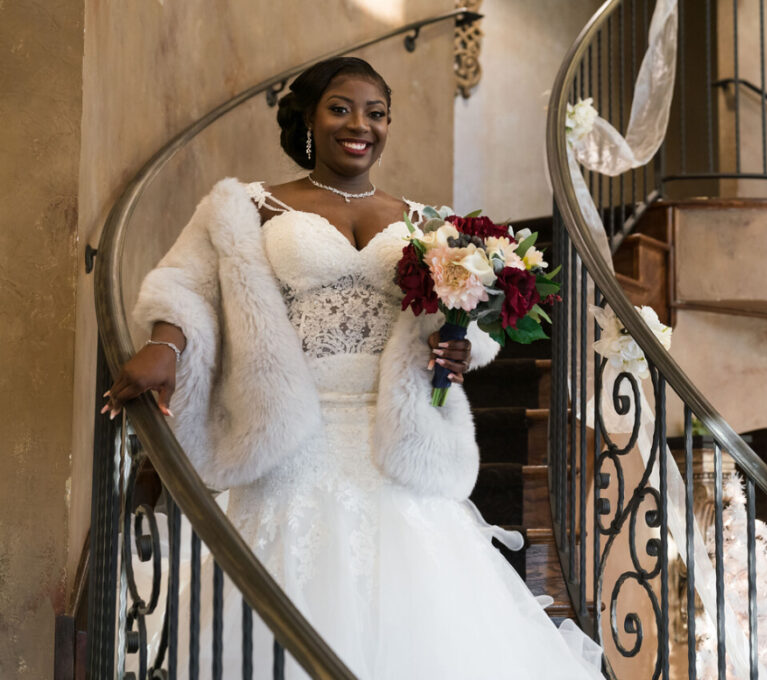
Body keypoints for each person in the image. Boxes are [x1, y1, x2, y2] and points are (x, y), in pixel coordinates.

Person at [104, 56, 603, 679]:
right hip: (292, 435)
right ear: (310, 119)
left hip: (397, 434)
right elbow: (188, 284)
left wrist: (462, 346)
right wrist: (166, 347)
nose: (358, 125)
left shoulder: (425, 222)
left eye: (376, 112)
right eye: (340, 108)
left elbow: (463, 321)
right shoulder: (246, 206)